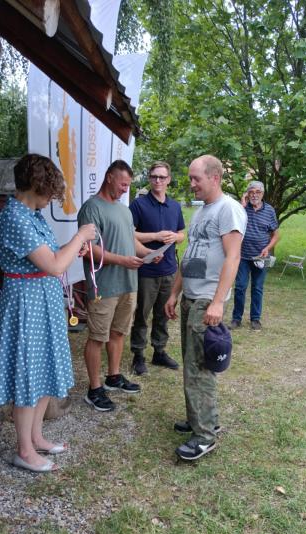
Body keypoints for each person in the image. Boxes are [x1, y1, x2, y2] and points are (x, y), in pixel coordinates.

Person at [0, 154, 96, 472]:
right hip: (26, 304)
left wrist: (75, 248)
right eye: (51, 192)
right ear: (38, 187)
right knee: (27, 376)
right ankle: (23, 450)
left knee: (44, 369)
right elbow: (53, 265)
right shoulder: (16, 218)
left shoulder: (32, 214)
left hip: (42, 301)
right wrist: (79, 237)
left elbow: (52, 256)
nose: (52, 199)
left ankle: (36, 437)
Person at [165, 155, 247, 461]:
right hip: (190, 296)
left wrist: (217, 302)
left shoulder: (229, 209)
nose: (191, 184)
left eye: (195, 178)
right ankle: (199, 417)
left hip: (206, 300)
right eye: (190, 178)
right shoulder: (201, 212)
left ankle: (205, 436)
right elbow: (189, 257)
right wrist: (174, 293)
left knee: (199, 368)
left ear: (214, 177)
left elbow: (233, 257)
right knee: (191, 361)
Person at [77, 160, 155, 412]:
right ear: (109, 177)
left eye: (128, 185)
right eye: (123, 184)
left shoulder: (124, 210)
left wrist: (149, 253)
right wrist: (122, 260)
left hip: (127, 284)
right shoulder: (91, 208)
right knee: (97, 337)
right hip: (104, 286)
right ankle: (94, 389)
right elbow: (88, 250)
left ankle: (113, 376)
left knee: (119, 332)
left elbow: (129, 240)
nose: (125, 189)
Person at [129, 161, 186, 375]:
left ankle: (159, 351)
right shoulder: (139, 205)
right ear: (149, 178)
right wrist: (154, 236)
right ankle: (138, 354)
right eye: (154, 177)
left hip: (170, 270)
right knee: (142, 314)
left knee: (164, 313)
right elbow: (129, 232)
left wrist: (175, 236)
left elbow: (182, 234)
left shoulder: (175, 206)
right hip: (146, 270)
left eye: (162, 177)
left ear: (169, 180)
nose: (158, 180)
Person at [229, 181, 279, 331]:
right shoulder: (241, 209)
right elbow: (233, 224)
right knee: (240, 287)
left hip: (260, 258)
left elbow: (276, 235)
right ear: (247, 194)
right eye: (251, 192)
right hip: (242, 256)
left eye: (258, 192)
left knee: (257, 288)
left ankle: (255, 319)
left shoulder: (269, 210)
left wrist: (268, 248)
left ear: (262, 194)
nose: (254, 195)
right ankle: (236, 319)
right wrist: (242, 205)